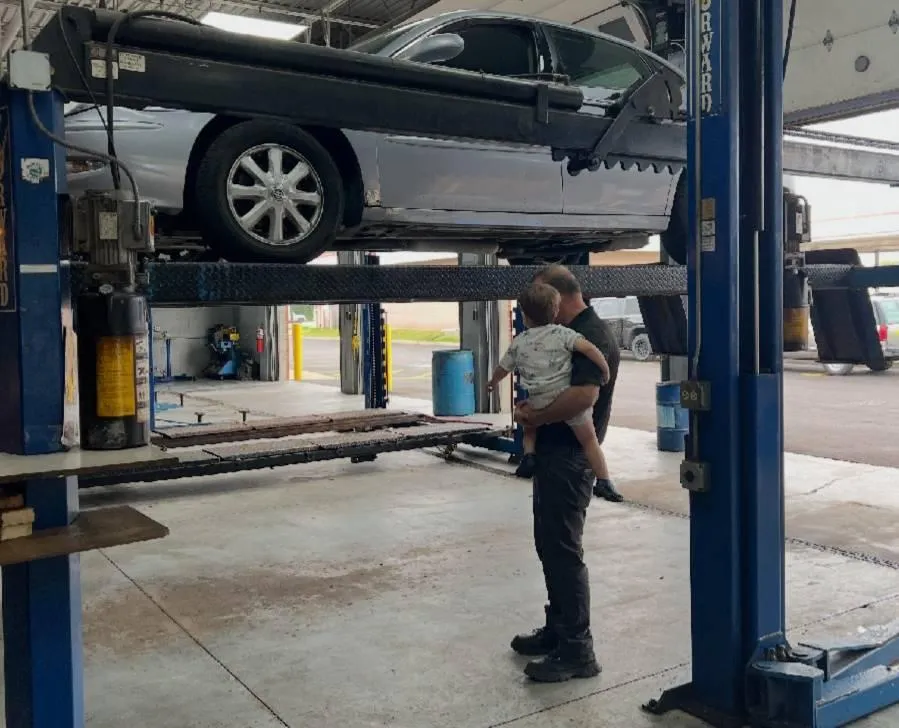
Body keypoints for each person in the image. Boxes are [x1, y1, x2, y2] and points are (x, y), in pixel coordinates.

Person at [508, 264, 622, 683]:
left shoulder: (590, 336)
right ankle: (559, 631)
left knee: (563, 550)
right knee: (550, 546)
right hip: (554, 454)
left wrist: (533, 415)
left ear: (560, 298)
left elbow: (581, 398)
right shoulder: (562, 333)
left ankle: (577, 650)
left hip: (573, 456)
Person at [486, 283, 610, 482]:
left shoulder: (519, 342)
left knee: (529, 426)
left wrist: (492, 382)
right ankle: (604, 480)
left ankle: (528, 456)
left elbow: (504, 367)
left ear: (525, 316)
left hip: (538, 400)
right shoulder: (563, 334)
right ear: (555, 312)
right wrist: (605, 368)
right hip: (564, 397)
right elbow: (588, 349)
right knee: (589, 440)